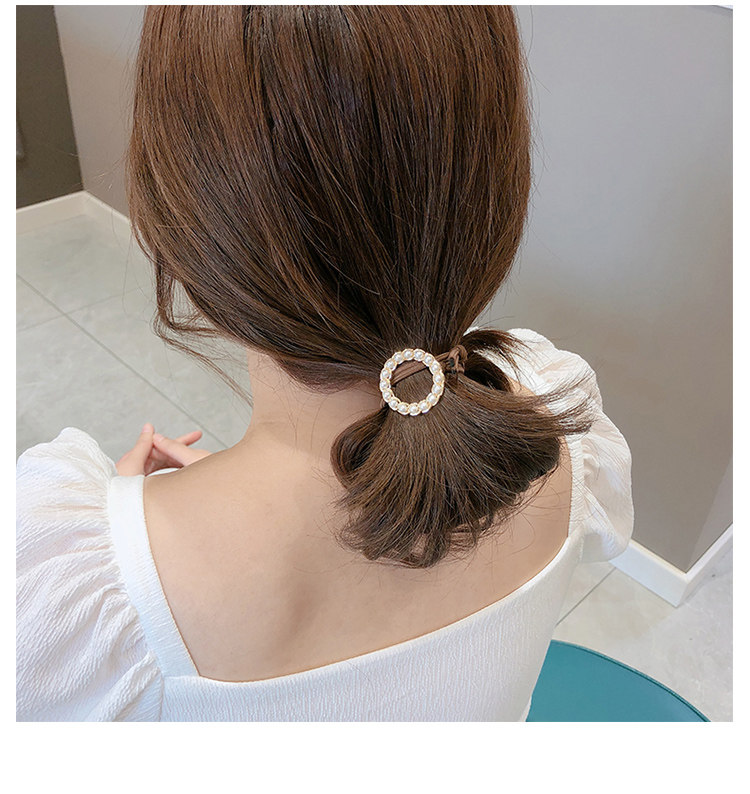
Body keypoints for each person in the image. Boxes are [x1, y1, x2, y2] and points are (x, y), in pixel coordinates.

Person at [16, 5, 633, 721]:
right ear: (493, 185)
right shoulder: (561, 430)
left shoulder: (57, 599)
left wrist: (140, 542)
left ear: (182, 226)